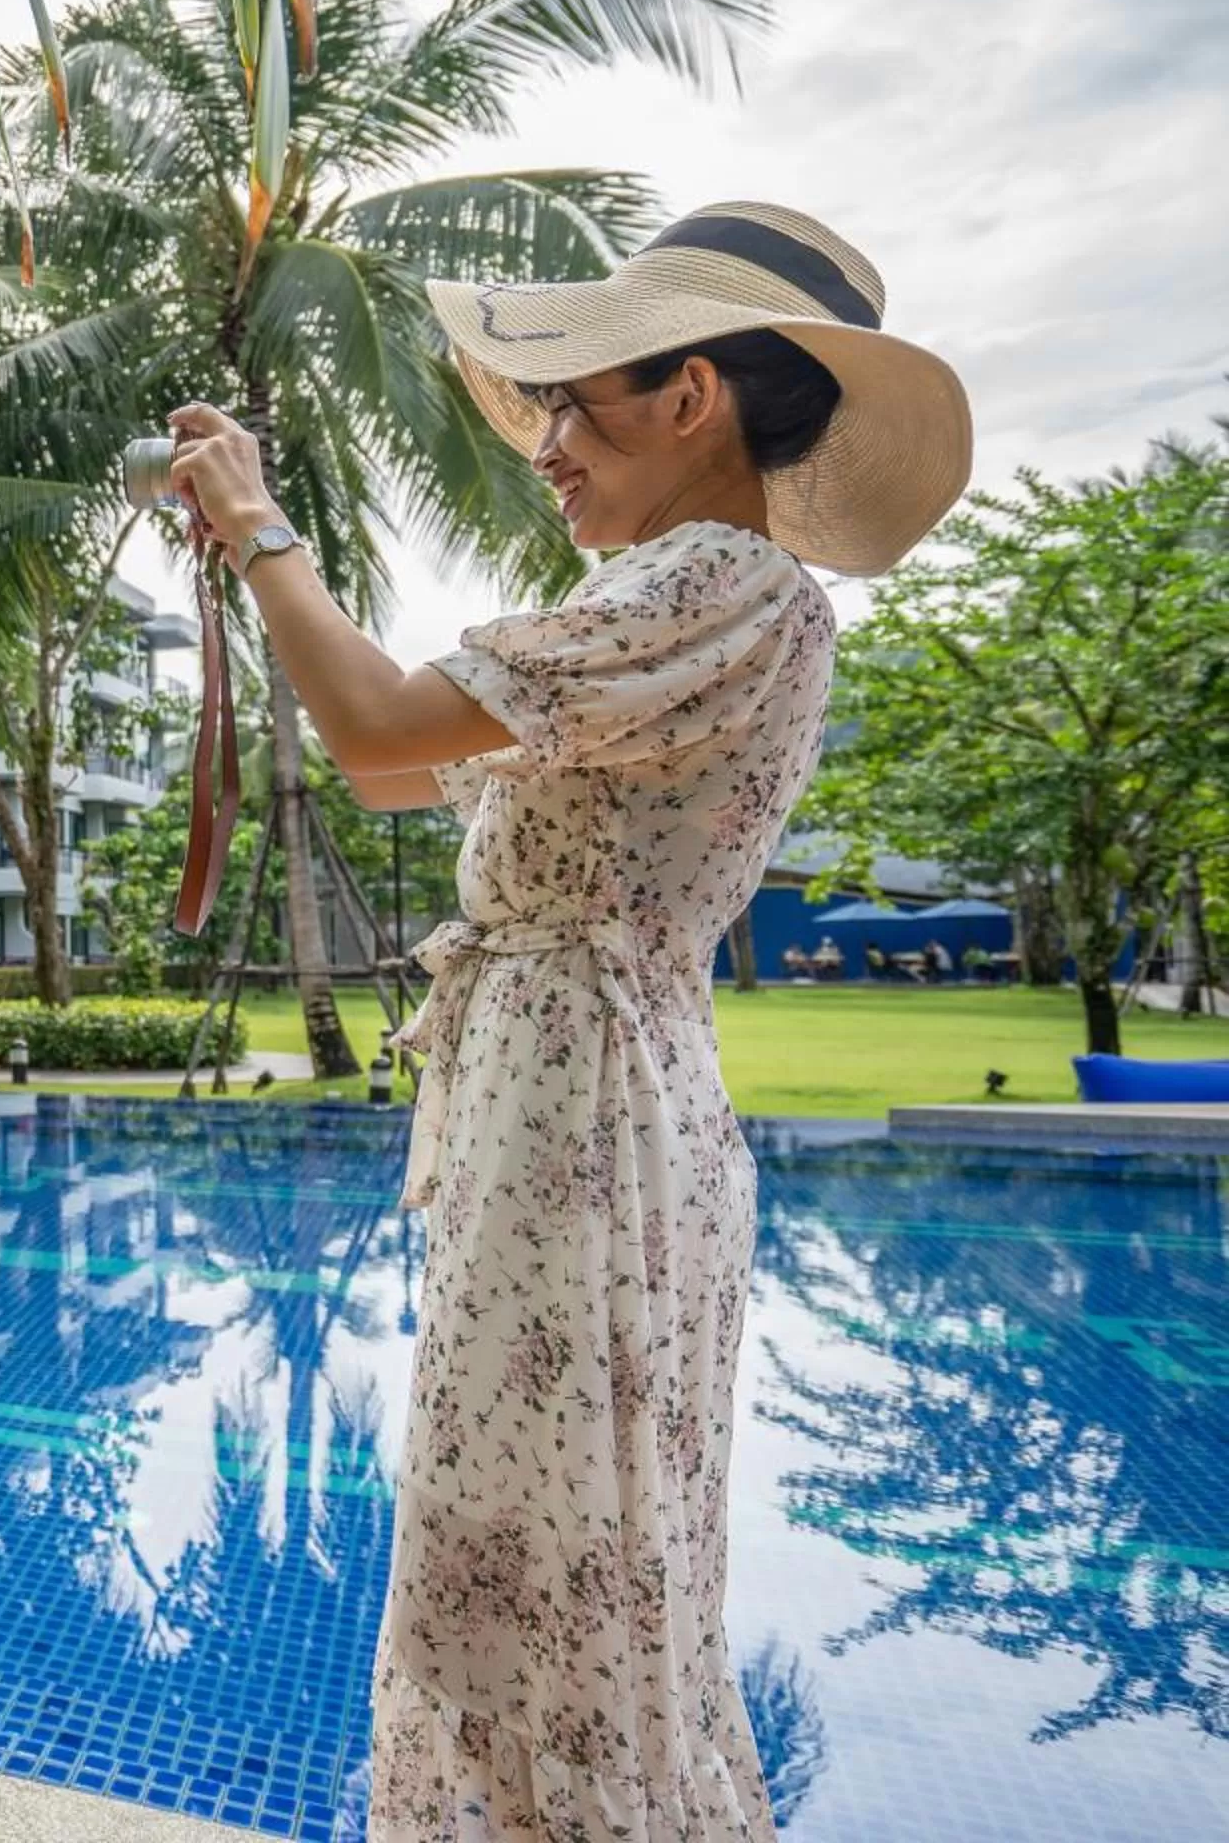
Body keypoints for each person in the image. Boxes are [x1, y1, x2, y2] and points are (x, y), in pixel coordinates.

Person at [164, 202, 970, 1838]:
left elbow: (376, 727)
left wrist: (256, 524)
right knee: (563, 1548)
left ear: (693, 397)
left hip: (580, 1107)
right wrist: (258, 558)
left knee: (545, 1558)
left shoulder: (717, 579)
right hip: (579, 1090)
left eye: (571, 408)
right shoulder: (696, 607)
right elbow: (399, 766)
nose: (545, 451)